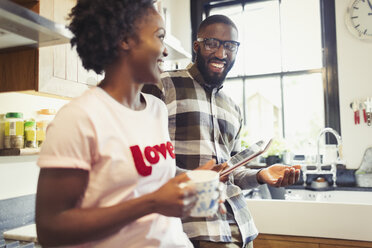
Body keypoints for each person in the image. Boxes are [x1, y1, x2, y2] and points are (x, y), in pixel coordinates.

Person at [35, 1, 219, 247]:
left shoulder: (157, 109)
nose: (165, 51)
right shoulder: (79, 117)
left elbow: (147, 182)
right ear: (125, 39)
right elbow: (50, 229)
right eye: (160, 37)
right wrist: (152, 203)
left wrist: (189, 186)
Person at [142, 15, 301, 248]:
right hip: (194, 229)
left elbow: (233, 173)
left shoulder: (233, 108)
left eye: (230, 46)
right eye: (212, 44)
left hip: (243, 228)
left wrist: (260, 175)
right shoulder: (163, 85)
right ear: (197, 46)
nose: (221, 54)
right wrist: (198, 177)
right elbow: (142, 162)